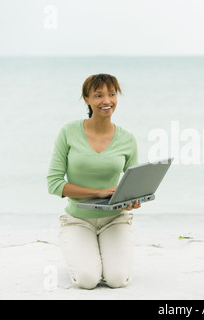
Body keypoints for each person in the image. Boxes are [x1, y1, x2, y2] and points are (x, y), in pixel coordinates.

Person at [47, 73, 141, 289]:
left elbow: (132, 184)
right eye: (98, 95)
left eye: (112, 94)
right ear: (87, 99)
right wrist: (97, 193)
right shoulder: (69, 132)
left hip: (115, 219)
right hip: (77, 220)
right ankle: (83, 251)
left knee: (117, 280)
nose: (107, 101)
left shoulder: (128, 138)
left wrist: (134, 199)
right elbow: (54, 183)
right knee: (88, 280)